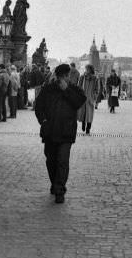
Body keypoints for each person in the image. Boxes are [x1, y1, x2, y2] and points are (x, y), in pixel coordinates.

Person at [34, 63, 87, 202]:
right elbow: (38, 106)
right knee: (51, 160)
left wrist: (67, 90)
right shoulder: (48, 89)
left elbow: (79, 102)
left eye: (67, 76)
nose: (65, 79)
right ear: (58, 76)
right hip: (50, 131)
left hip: (66, 131)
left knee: (62, 160)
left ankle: (59, 190)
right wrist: (43, 121)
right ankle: (54, 183)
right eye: (63, 76)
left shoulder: (74, 89)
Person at [77, 64, 99, 135]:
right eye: (86, 69)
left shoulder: (95, 78)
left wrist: (94, 96)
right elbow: (78, 86)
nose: (86, 71)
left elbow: (97, 89)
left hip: (90, 98)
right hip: (83, 98)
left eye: (87, 69)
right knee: (83, 113)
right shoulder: (82, 77)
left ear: (90, 70)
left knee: (89, 115)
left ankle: (88, 128)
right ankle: (83, 123)